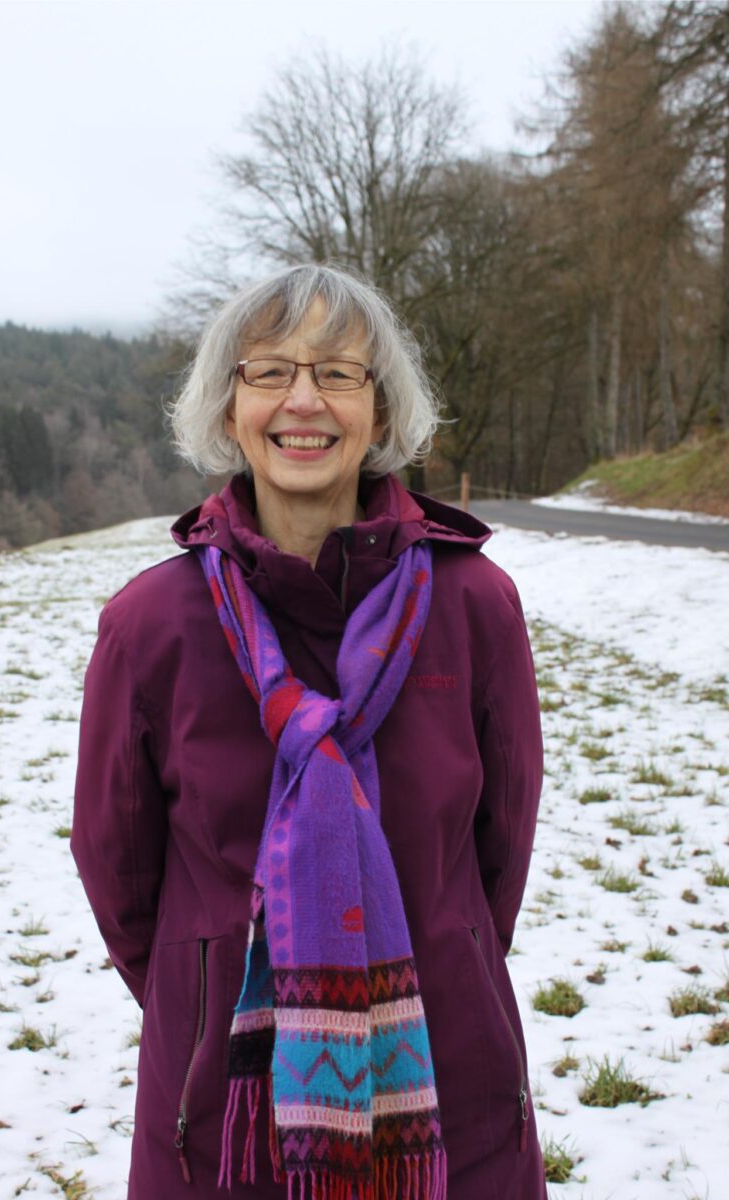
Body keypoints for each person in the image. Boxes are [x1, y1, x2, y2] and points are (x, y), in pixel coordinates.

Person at [71, 263, 547, 1200]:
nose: (304, 401)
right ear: (227, 404)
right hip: (222, 1109)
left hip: (452, 1080)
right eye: (270, 372)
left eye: (338, 372)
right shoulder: (152, 625)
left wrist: (431, 963)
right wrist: (207, 984)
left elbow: (500, 855)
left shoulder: (474, 605)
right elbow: (115, 865)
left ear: (379, 407)